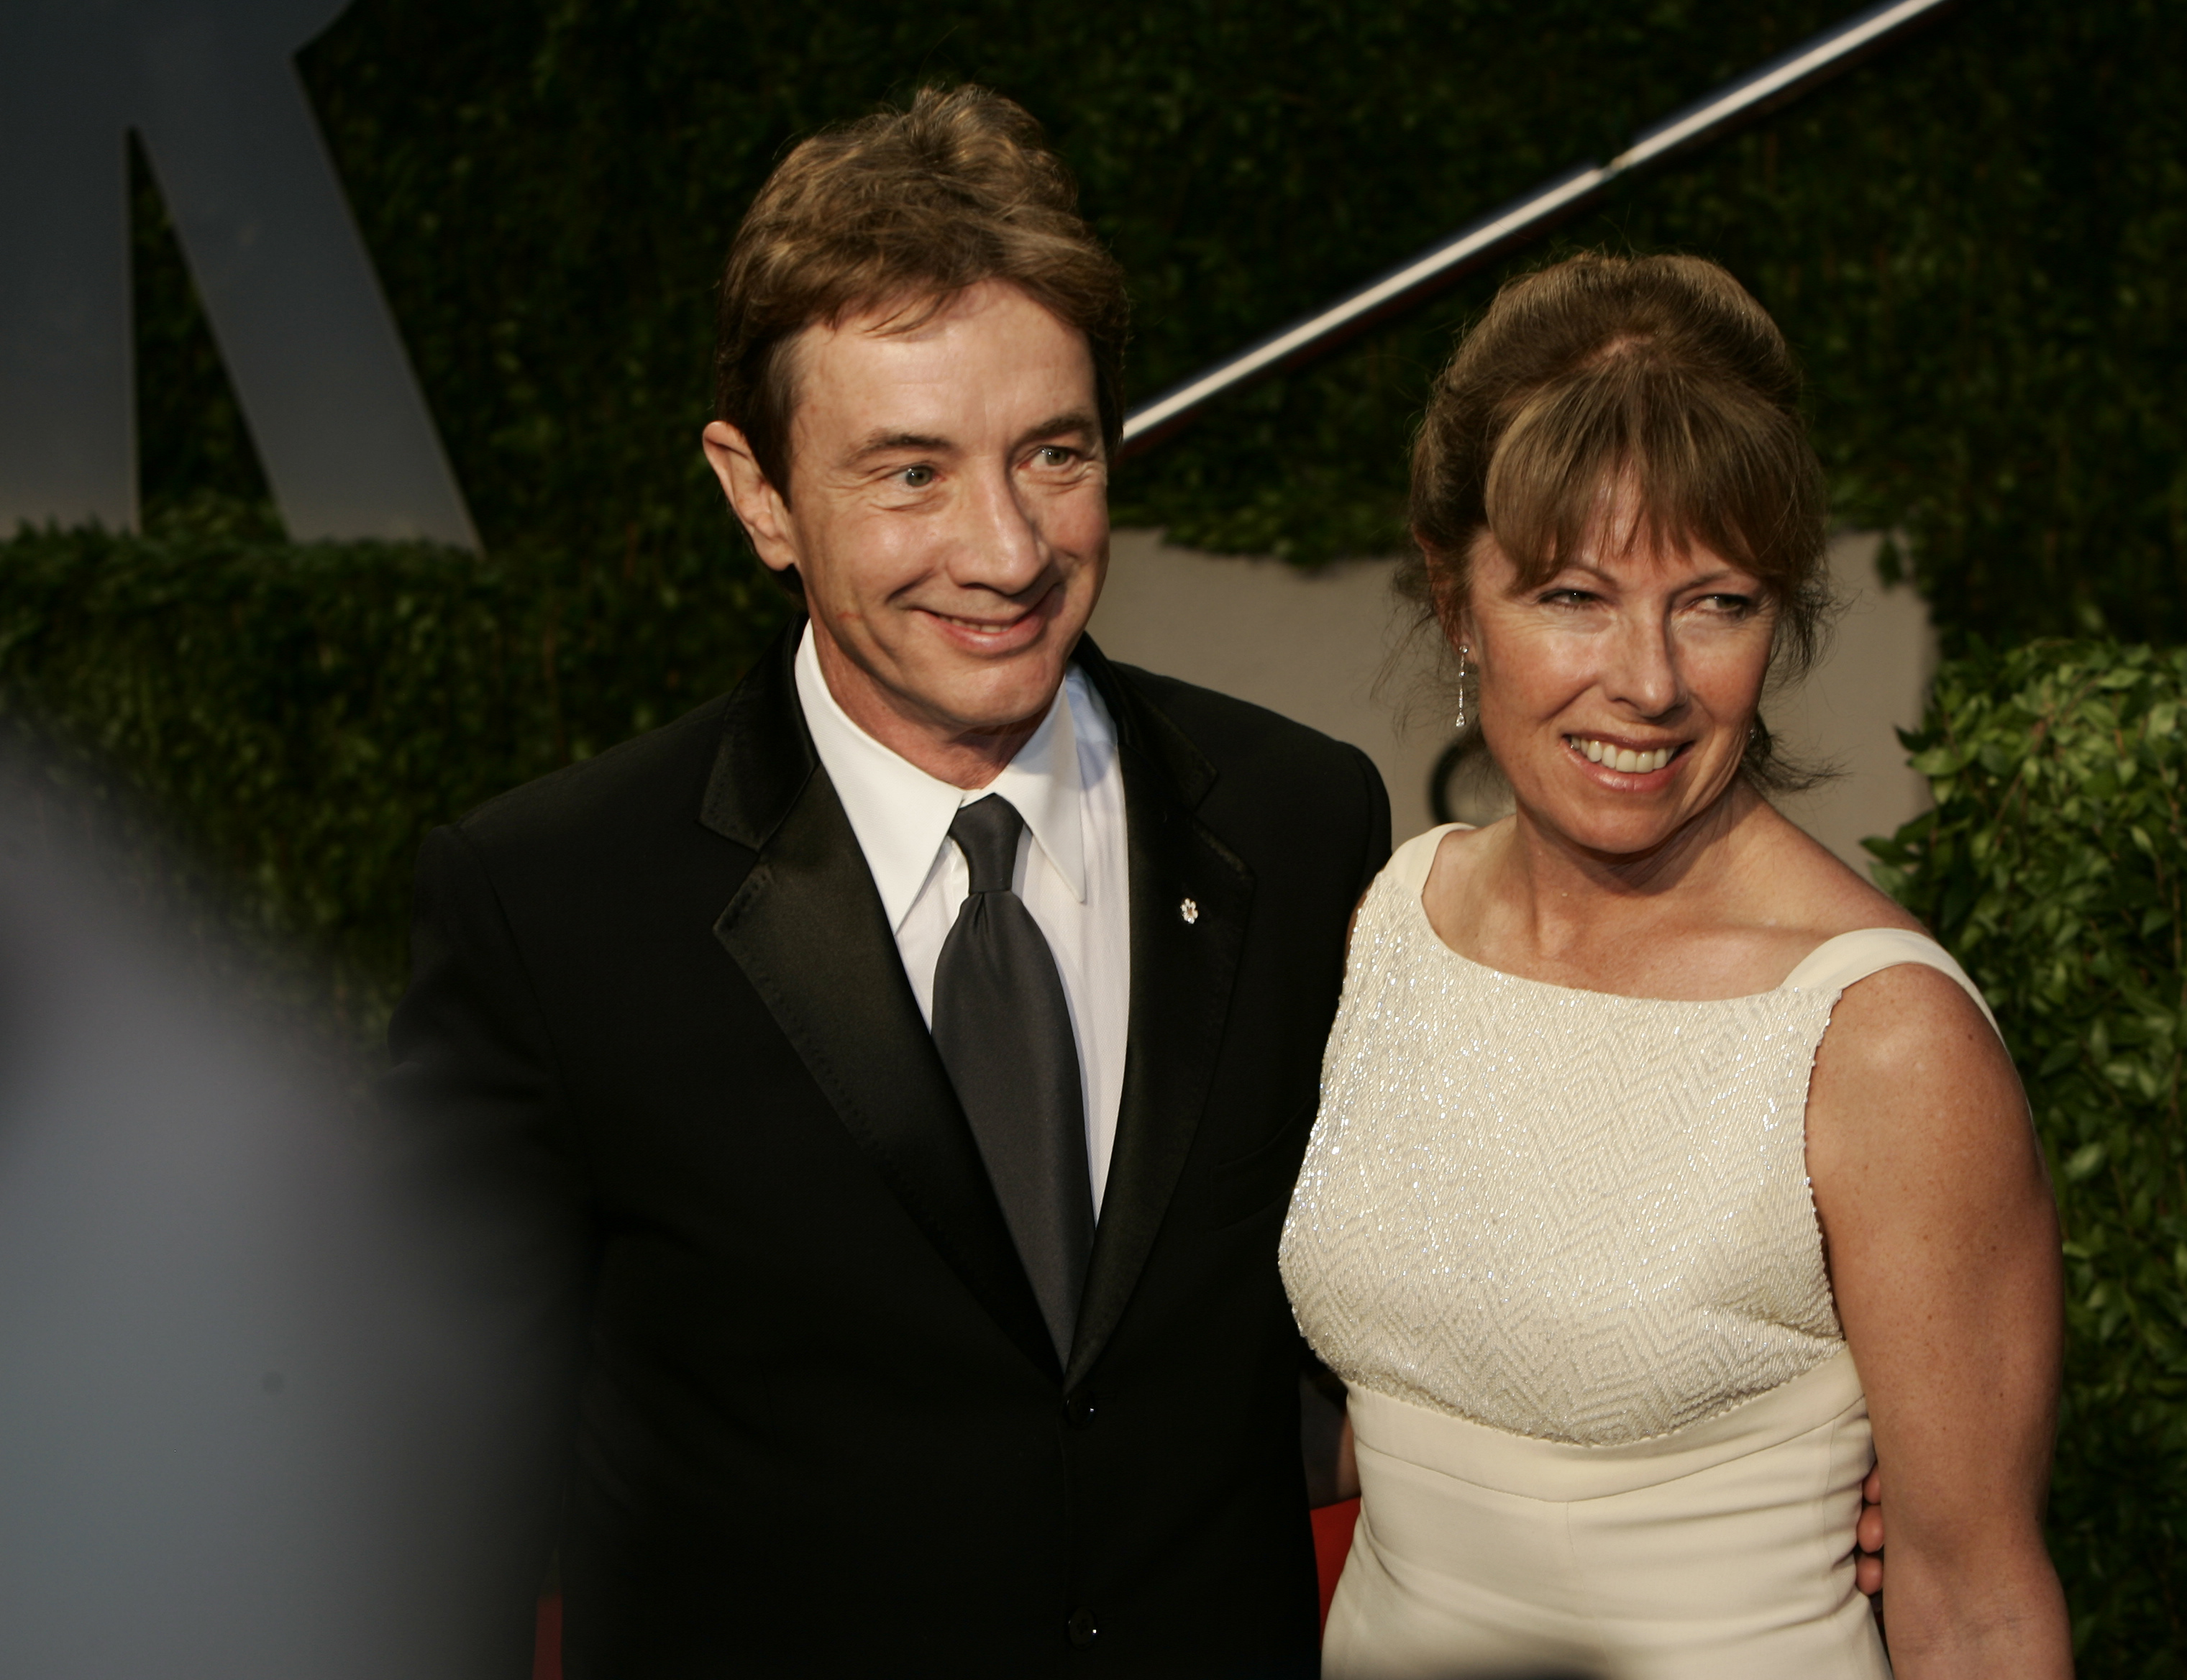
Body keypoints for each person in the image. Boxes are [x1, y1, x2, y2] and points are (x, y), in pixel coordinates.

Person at [386, 86, 1390, 1676]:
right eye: (911, 472)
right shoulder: (552, 908)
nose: (1006, 550)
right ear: (757, 493)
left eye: (1053, 453)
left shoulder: (1301, 820)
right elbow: (434, 1512)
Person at [1279, 252, 2069, 1679]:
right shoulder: (1393, 922)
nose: (1649, 680)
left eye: (1717, 603)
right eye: (1574, 596)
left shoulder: (1880, 1036)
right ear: (1456, 597)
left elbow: (1979, 1606)